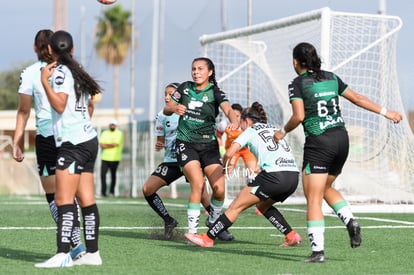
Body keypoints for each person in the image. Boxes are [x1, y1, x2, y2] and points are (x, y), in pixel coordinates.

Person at [273, 42, 403, 263]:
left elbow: (299, 116)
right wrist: (386, 112)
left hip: (319, 143)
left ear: (295, 62)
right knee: (325, 188)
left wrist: (282, 132)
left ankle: (318, 252)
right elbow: (357, 98)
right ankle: (350, 220)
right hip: (341, 140)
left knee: (313, 198)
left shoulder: (297, 84)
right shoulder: (331, 78)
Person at [185, 102, 302, 247]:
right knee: (263, 205)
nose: (239, 126)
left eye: (240, 123)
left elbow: (229, 153)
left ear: (246, 121)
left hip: (274, 176)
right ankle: (291, 235)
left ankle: (207, 238)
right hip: (293, 177)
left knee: (235, 206)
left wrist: (224, 165)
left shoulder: (249, 130)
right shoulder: (274, 128)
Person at [12, 29, 85, 261]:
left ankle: (75, 242)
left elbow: (24, 111)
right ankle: (77, 243)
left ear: (36, 48)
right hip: (73, 136)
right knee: (70, 193)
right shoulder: (73, 70)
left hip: (47, 138)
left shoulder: (31, 73)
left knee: (53, 195)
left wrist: (17, 142)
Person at [35, 30, 102, 268]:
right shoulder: (78, 69)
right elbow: (89, 105)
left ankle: (63, 254)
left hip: (72, 144)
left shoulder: (60, 72)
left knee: (63, 200)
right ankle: (93, 253)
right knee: (86, 200)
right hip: (88, 140)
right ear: (72, 49)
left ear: (50, 50)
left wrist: (45, 81)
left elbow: (60, 105)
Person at [164, 57, 238, 240]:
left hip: (209, 146)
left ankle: (213, 219)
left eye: (200, 69)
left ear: (210, 72)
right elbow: (167, 108)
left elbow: (228, 109)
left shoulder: (215, 92)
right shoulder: (185, 88)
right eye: (193, 69)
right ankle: (192, 232)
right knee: (197, 183)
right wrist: (174, 109)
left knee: (219, 189)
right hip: (185, 143)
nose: (196, 72)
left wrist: (235, 120)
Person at [142, 82, 212, 240]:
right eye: (165, 94)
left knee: (203, 195)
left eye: (171, 94)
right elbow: (161, 139)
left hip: (190, 159)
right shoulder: (161, 115)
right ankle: (169, 220)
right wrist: (160, 143)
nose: (167, 97)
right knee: (147, 189)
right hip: (171, 161)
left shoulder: (192, 112)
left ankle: (217, 225)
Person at [216, 103, 262, 215]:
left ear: (242, 117)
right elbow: (218, 135)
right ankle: (216, 203)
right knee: (225, 172)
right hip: (232, 150)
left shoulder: (246, 125)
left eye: (237, 116)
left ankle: (260, 205)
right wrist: (222, 149)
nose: (235, 118)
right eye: (233, 116)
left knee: (254, 173)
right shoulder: (224, 124)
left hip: (247, 150)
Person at [99, 119, 124, 197]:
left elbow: (115, 144)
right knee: (103, 175)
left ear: (116, 126)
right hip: (105, 158)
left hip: (115, 158)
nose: (112, 126)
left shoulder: (119, 133)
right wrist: (110, 145)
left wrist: (106, 145)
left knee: (113, 175)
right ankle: (103, 193)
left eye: (113, 125)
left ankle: (111, 192)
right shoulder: (104, 133)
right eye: (111, 124)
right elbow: (101, 145)